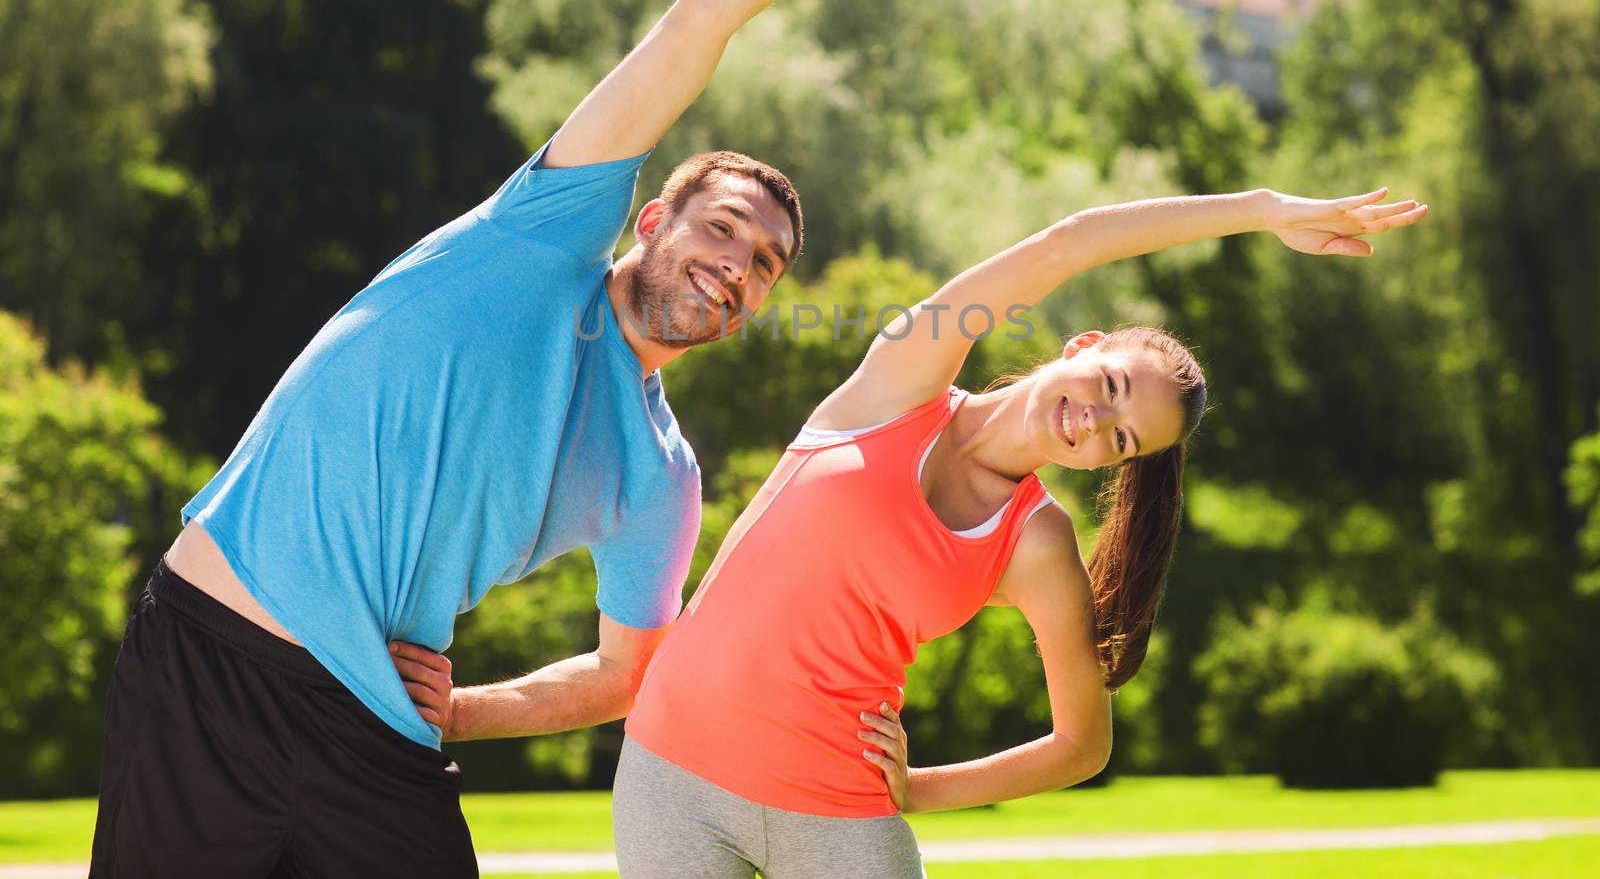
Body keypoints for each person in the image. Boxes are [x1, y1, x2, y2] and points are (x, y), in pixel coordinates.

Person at [88, 0, 1043, 877]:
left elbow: (627, 669)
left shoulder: (659, 472)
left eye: (767, 264)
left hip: (380, 737)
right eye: (723, 228)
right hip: (218, 659)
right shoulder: (536, 237)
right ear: (646, 220)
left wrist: (470, 709)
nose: (738, 265)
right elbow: (708, 12)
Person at [404, 184, 1428, 877]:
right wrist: (1262, 211)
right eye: (1107, 384)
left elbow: (1083, 740)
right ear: (1080, 345)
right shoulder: (904, 378)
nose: (1092, 421)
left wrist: (923, 788)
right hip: (670, 771)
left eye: (1119, 438)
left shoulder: (1035, 544)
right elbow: (1069, 240)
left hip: (839, 809)